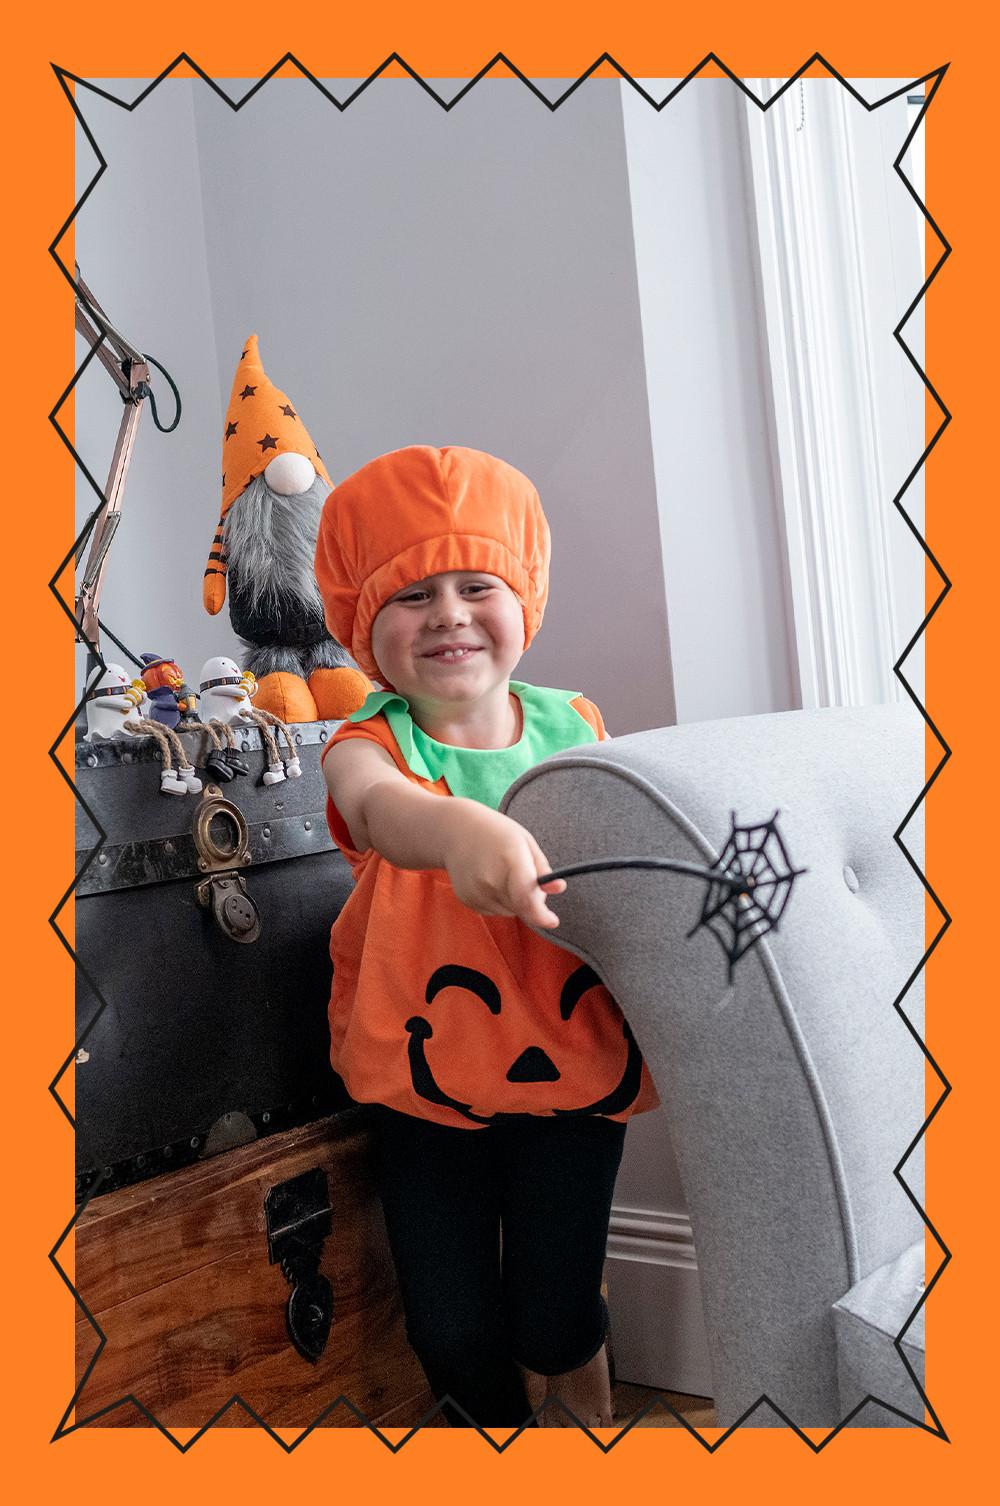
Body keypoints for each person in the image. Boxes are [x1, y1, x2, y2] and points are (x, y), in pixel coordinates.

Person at [314, 444, 659, 1429]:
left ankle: (582, 1417)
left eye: (477, 586)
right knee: (452, 1329)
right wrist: (461, 827)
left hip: (571, 1068)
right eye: (412, 595)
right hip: (426, 1081)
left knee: (553, 1314)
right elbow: (379, 813)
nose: (451, 614)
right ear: (361, 624)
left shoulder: (578, 722)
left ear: (523, 602)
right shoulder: (365, 745)